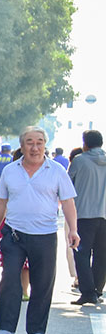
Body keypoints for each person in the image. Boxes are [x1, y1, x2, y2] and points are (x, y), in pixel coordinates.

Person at [0, 127, 79, 334]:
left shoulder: (56, 170)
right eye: (30, 142)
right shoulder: (10, 170)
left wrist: (73, 230)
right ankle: (6, 328)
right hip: (13, 234)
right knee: (10, 279)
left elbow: (68, 202)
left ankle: (36, 330)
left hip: (45, 234)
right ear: (22, 146)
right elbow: (0, 202)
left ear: (45, 145)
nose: (35, 147)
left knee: (43, 281)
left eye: (39, 142)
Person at [68, 130, 106, 305]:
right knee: (101, 254)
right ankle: (98, 289)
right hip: (104, 216)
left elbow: (68, 184)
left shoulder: (79, 161)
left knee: (81, 254)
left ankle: (87, 292)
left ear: (85, 143)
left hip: (83, 214)